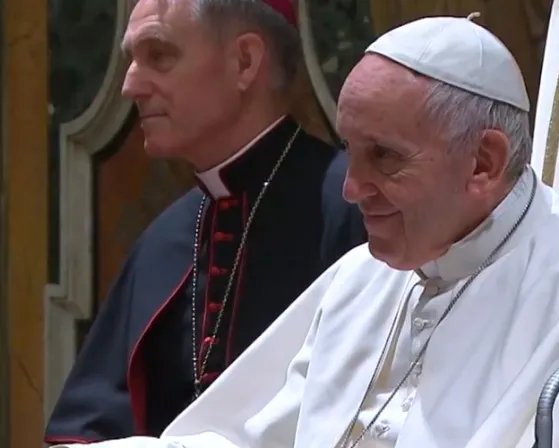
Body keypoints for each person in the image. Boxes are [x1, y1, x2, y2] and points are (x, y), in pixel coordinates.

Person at [52, 11, 559, 448]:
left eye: (385, 157)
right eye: (350, 151)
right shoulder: (362, 276)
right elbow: (240, 440)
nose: (350, 187)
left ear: (482, 163)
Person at [44, 0, 366, 444]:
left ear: (244, 62)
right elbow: (87, 425)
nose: (130, 85)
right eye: (131, 60)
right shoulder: (161, 242)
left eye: (159, 55)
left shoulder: (363, 211)